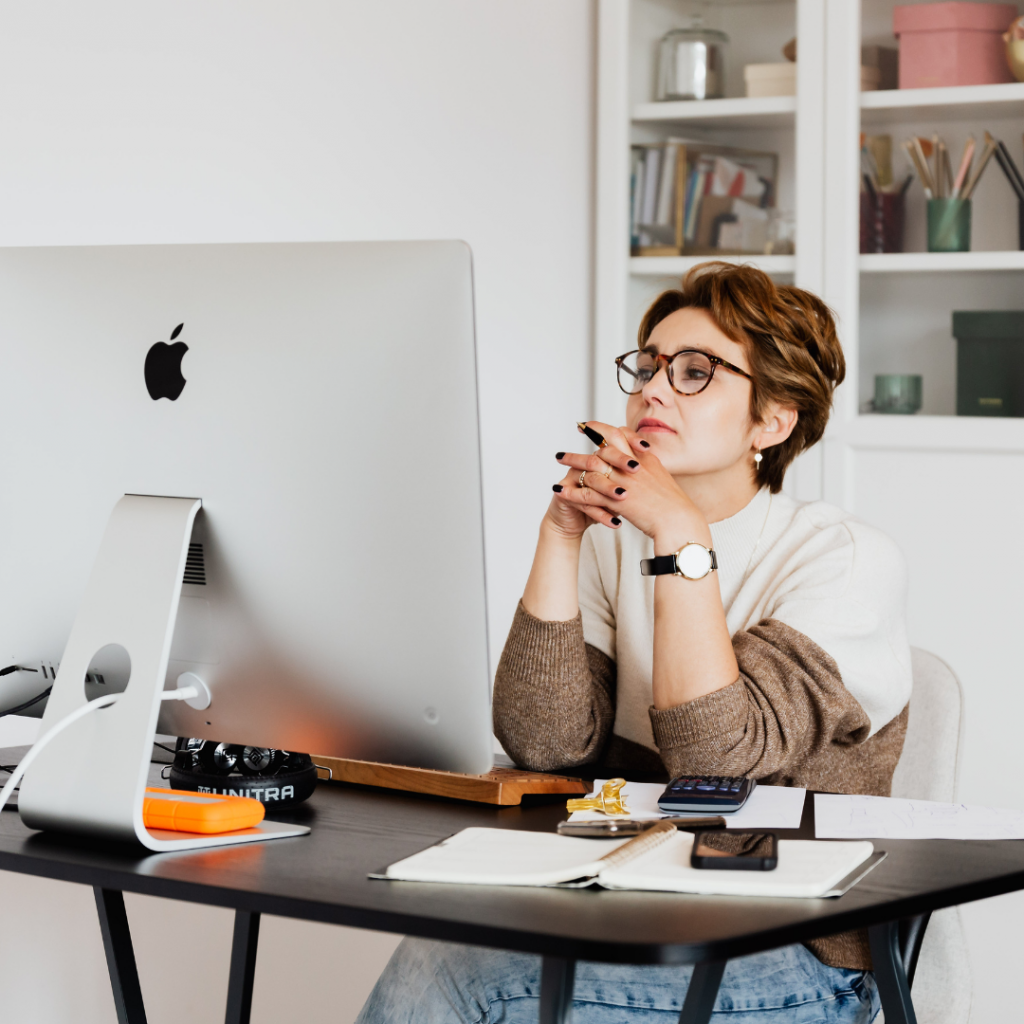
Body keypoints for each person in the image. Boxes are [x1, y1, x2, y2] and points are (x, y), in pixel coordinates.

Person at [356, 262, 911, 1023]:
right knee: (441, 935)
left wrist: (682, 536)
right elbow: (543, 742)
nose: (652, 388)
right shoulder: (615, 542)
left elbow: (715, 765)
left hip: (799, 953)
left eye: (694, 373)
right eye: (648, 366)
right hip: (628, 905)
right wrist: (561, 533)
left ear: (773, 421)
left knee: (450, 970)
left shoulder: (844, 558)